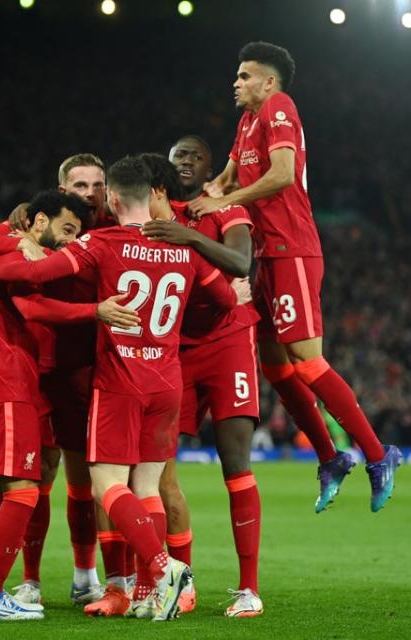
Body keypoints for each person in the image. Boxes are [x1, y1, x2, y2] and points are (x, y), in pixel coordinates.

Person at [0, 156, 242, 621]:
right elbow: (224, 300)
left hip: (120, 381)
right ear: (154, 194)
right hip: (167, 378)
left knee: (105, 486)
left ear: (114, 199)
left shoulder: (100, 242)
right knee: (148, 489)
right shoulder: (185, 246)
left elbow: (39, 275)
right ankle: (146, 591)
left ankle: (163, 570)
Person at [189, 41, 402, 513]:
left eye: (245, 76)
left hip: (292, 251)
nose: (236, 83)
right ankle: (331, 457)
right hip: (265, 256)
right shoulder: (246, 124)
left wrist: (225, 202)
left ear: (269, 81)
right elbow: (222, 182)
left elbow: (283, 174)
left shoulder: (279, 107)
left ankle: (378, 454)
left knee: (306, 361)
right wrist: (185, 203)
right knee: (275, 367)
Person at [0, 189, 138, 622]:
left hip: (9, 381)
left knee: (12, 494)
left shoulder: (16, 260)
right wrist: (95, 310)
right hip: (7, 382)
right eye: (65, 230)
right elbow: (33, 307)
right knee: (23, 493)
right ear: (39, 221)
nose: (69, 241)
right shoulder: (13, 262)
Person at [140, 147, 264, 617]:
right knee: (157, 470)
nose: (184, 159)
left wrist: (187, 236)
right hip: (174, 348)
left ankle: (248, 587)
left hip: (229, 340)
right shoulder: (160, 213)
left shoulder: (226, 208)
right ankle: (179, 583)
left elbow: (240, 261)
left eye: (194, 154)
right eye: (176, 155)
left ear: (211, 169)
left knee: (235, 462)